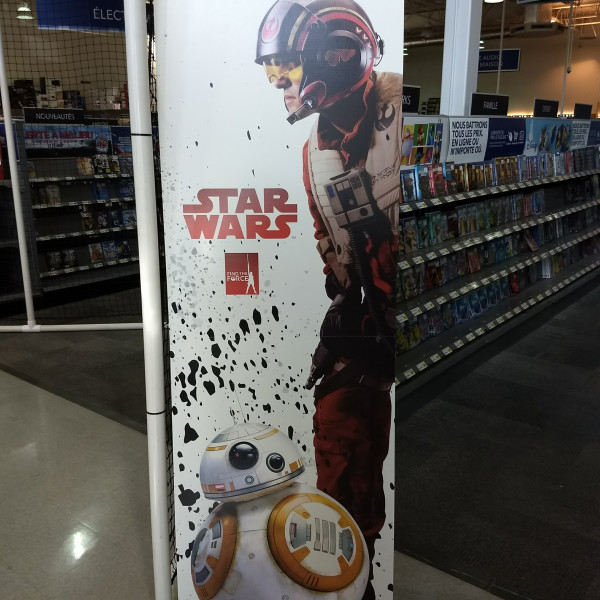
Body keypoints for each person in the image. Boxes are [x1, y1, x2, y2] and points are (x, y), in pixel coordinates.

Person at [256, 2, 400, 598]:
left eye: (286, 69)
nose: (280, 85)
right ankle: (349, 568)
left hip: (398, 318)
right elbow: (327, 235)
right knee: (337, 427)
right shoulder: (315, 148)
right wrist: (343, 297)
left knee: (355, 436)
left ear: (334, 55)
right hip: (365, 317)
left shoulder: (397, 116)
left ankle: (358, 564)